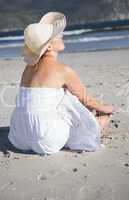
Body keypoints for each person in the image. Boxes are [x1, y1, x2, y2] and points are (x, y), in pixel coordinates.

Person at [8, 11, 114, 155]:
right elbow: (86, 100)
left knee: (55, 95)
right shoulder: (62, 70)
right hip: (46, 137)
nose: (62, 36)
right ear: (49, 47)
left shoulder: (28, 68)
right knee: (68, 97)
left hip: (18, 135)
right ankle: (98, 124)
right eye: (57, 36)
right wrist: (106, 109)